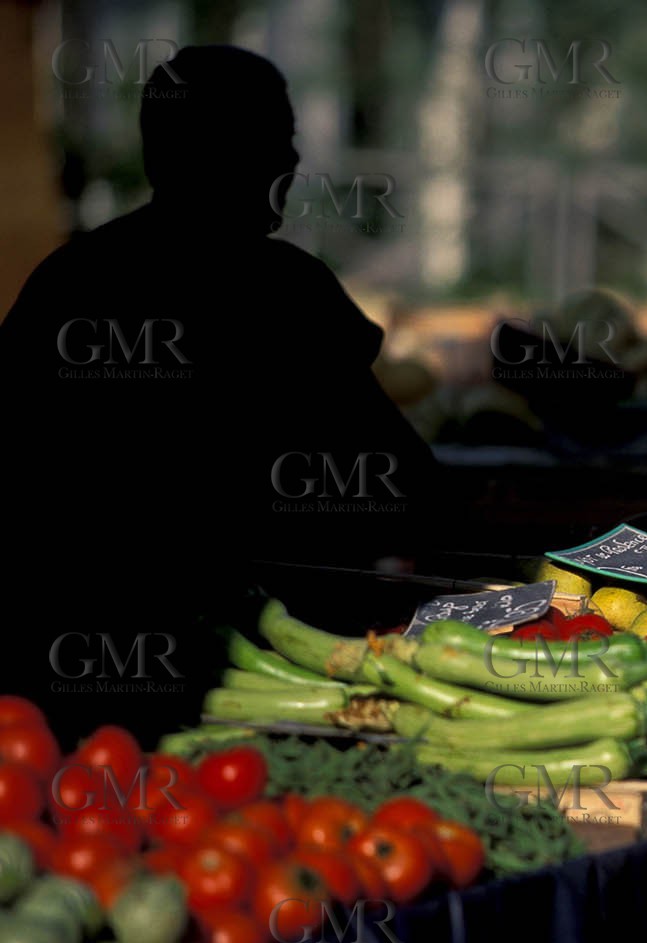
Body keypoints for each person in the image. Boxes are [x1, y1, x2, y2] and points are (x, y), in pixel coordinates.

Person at [0, 46, 439, 745]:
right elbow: (410, 494)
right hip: (244, 690)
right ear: (239, 155)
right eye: (276, 139)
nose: (293, 160)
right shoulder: (287, 292)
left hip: (52, 686)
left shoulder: (68, 278)